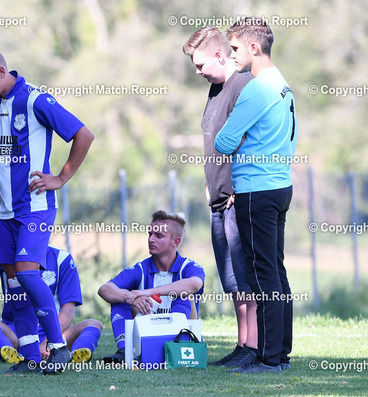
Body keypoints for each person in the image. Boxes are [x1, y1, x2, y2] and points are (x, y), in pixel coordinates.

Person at [0, 45, 94, 373]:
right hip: (3, 212)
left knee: (27, 273)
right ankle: (31, 357)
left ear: (1, 71)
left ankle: (58, 347)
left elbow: (84, 135)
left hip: (34, 207)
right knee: (14, 285)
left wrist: (61, 178)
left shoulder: (35, 100)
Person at [215, 17, 297, 373]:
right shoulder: (282, 83)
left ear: (253, 47)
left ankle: (268, 358)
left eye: (234, 48)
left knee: (263, 274)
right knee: (275, 269)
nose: (231, 54)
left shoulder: (256, 88)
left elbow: (223, 142)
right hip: (280, 187)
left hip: (257, 190)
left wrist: (242, 139)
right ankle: (281, 354)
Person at [182, 27, 258, 367]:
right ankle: (242, 346)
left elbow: (253, 140)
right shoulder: (215, 90)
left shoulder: (243, 86)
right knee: (232, 281)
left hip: (236, 200)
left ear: (218, 55)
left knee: (247, 278)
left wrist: (238, 189)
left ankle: (254, 347)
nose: (198, 72)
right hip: (217, 200)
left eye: (200, 65)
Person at [97, 210, 205, 363]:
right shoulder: (140, 269)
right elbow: (105, 289)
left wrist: (147, 292)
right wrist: (129, 297)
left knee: (183, 294)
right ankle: (125, 351)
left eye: (159, 236)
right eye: (150, 234)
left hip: (180, 338)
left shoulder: (188, 266)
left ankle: (177, 348)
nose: (151, 239)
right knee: (120, 298)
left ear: (175, 242)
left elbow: (194, 284)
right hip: (147, 335)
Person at [0, 246, 103, 366]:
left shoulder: (62, 258)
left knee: (93, 324)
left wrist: (49, 342)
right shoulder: (8, 255)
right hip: (15, 332)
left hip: (52, 331)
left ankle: (77, 353)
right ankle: (9, 351)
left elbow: (67, 312)